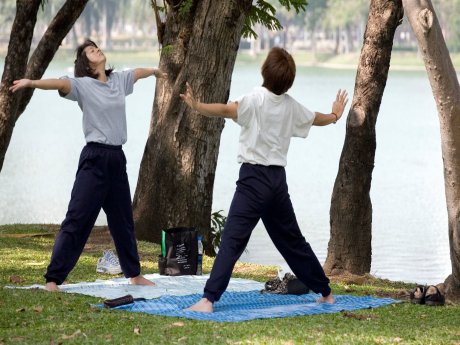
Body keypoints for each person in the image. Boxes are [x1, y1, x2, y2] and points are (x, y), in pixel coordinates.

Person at [180, 47, 348, 313]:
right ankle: (326, 293)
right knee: (293, 241)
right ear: (288, 82)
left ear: (264, 71)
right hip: (277, 182)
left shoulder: (255, 99)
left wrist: (197, 106)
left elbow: (226, 109)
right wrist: (336, 115)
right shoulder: (291, 106)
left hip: (253, 179)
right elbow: (316, 119)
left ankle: (208, 300)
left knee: (233, 241)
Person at [9, 39, 167, 291]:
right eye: (91, 51)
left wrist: (155, 71)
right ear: (85, 63)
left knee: (123, 221)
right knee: (77, 219)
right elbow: (59, 83)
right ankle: (53, 279)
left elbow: (137, 73)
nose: (97, 50)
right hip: (94, 159)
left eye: (97, 48)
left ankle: (134, 274)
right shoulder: (82, 85)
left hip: (116, 158)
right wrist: (31, 83)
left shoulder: (118, 81)